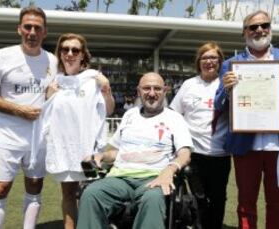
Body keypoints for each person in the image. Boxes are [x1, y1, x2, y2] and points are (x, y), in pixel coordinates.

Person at [214, 10, 279, 229]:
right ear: (244, 33)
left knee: (277, 205)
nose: (260, 30)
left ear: (271, 28)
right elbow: (219, 105)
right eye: (253, 27)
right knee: (245, 204)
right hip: (245, 146)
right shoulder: (231, 64)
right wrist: (226, 89)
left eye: (265, 25)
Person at [76, 72, 194, 229]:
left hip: (153, 177)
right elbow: (117, 151)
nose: (152, 93)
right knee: (91, 194)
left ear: (165, 91)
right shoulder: (129, 115)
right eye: (146, 88)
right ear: (139, 91)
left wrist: (170, 169)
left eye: (157, 88)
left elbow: (185, 153)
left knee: (152, 199)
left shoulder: (175, 118)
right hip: (120, 178)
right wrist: (101, 155)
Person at [0, 7, 57, 229]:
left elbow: (52, 95)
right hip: (7, 135)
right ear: (19, 29)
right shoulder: (2, 56)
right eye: (28, 27)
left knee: (35, 186)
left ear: (44, 32)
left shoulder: (52, 60)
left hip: (38, 138)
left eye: (37, 28)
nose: (32, 32)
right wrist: (18, 110)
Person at [42, 33, 115, 229]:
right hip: (64, 151)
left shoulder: (93, 80)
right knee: (67, 194)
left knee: (90, 196)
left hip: (87, 152)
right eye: (65, 49)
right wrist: (49, 96)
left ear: (83, 55)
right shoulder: (54, 84)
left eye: (75, 50)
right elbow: (46, 119)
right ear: (60, 53)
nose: (70, 53)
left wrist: (107, 92)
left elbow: (108, 110)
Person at [170, 41, 230, 229]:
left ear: (220, 61)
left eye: (213, 57)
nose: (209, 61)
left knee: (218, 199)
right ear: (198, 62)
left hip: (220, 154)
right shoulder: (188, 84)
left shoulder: (227, 84)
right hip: (193, 154)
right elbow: (174, 114)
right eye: (205, 58)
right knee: (197, 200)